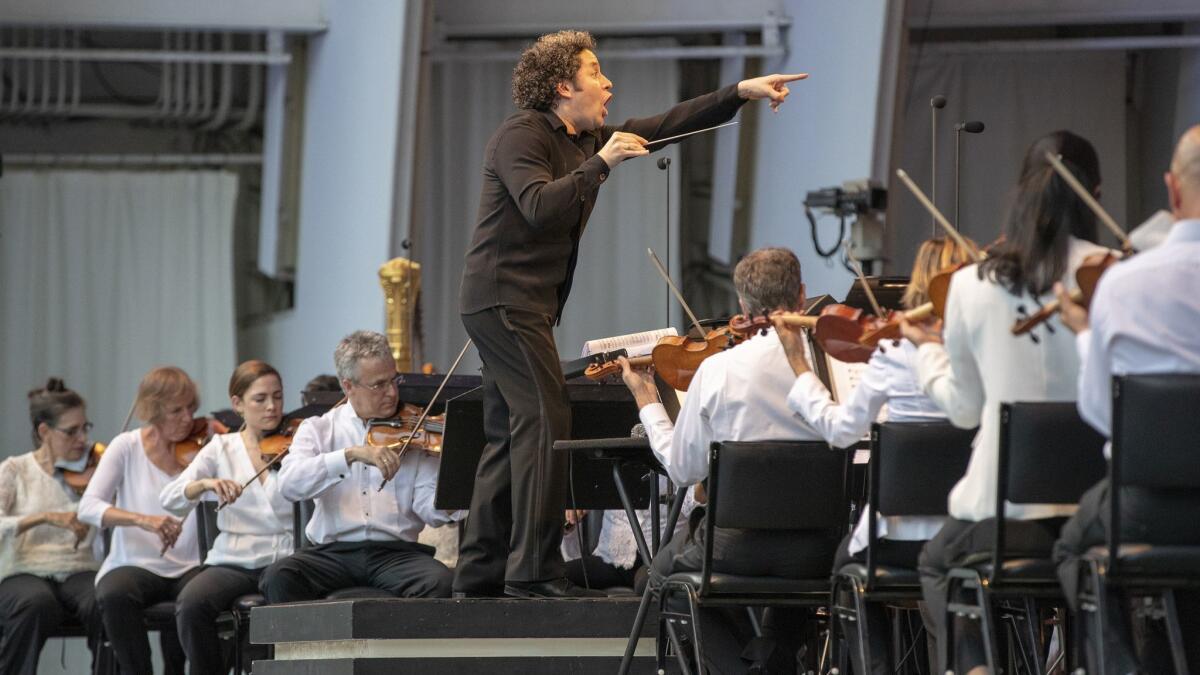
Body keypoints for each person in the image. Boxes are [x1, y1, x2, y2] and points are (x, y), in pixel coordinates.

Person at [455, 27, 808, 600]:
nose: (608, 81)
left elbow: (669, 124)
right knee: (547, 421)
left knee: (507, 433)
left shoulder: (586, 136)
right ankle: (534, 573)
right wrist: (600, 162)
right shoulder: (521, 135)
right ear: (564, 85)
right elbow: (539, 208)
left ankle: (477, 575)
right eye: (596, 71)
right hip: (503, 297)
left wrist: (740, 91)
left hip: (526, 303)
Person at [899, 130, 1116, 675]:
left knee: (935, 563)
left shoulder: (971, 285)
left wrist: (926, 354)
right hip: (1100, 510)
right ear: (1096, 191)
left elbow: (965, 411)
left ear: (1020, 194)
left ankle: (974, 667)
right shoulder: (1118, 274)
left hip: (1003, 519)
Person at [619, 247, 830, 672]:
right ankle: (773, 653)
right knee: (790, 579)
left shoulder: (718, 371)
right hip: (817, 551)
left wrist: (647, 401)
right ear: (802, 296)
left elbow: (683, 470)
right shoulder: (831, 364)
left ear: (742, 306)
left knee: (663, 577)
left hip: (733, 549)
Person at [774, 236, 977, 675]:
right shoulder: (985, 349)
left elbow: (842, 431)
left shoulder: (894, 353)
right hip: (973, 535)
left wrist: (800, 366)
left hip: (899, 541)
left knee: (846, 571)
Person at [1052, 124, 1200, 673]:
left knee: (1072, 548)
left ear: (1173, 189)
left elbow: (1098, 410)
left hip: (1143, 508)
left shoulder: (1122, 283)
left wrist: (1086, 334)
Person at [259, 330, 460, 602]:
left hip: (396, 554)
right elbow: (289, 485)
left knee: (441, 582)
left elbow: (428, 509)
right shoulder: (318, 429)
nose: (391, 392)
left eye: (394, 380)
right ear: (348, 386)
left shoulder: (415, 430)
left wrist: (453, 496)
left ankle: (397, 646)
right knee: (279, 577)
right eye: (378, 385)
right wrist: (349, 455)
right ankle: (313, 647)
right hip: (332, 554)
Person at [160, 360, 294, 675]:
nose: (272, 407)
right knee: (192, 603)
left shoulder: (298, 444)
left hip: (286, 558)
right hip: (234, 560)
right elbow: (169, 498)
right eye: (260, 399)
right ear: (237, 404)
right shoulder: (219, 448)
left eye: (278, 396)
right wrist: (205, 484)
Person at [78, 366, 205, 675]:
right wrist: (143, 519)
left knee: (203, 597)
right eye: (176, 410)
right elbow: (89, 507)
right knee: (113, 593)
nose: (188, 418)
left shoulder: (204, 445)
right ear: (153, 410)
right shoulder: (126, 446)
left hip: (190, 564)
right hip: (135, 564)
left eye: (191, 408)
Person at [0, 379, 102, 675]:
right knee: (35, 603)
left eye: (85, 428)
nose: (82, 438)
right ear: (44, 431)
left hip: (78, 568)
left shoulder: (94, 471)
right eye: (71, 431)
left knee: (106, 600)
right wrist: (44, 517)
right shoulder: (14, 470)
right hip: (22, 569)